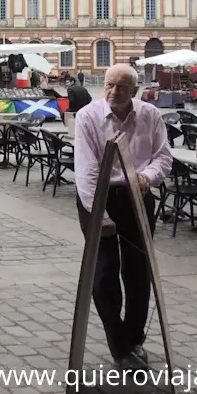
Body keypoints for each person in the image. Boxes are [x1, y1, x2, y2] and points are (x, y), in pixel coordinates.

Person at [72, 63, 173, 370]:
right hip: (98, 198)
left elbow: (164, 157)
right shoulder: (88, 116)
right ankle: (119, 344)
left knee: (139, 270)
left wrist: (147, 177)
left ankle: (133, 337)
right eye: (110, 86)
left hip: (137, 196)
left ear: (136, 90)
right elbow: (86, 171)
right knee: (104, 273)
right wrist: (100, 213)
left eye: (122, 87)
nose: (115, 92)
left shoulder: (150, 115)